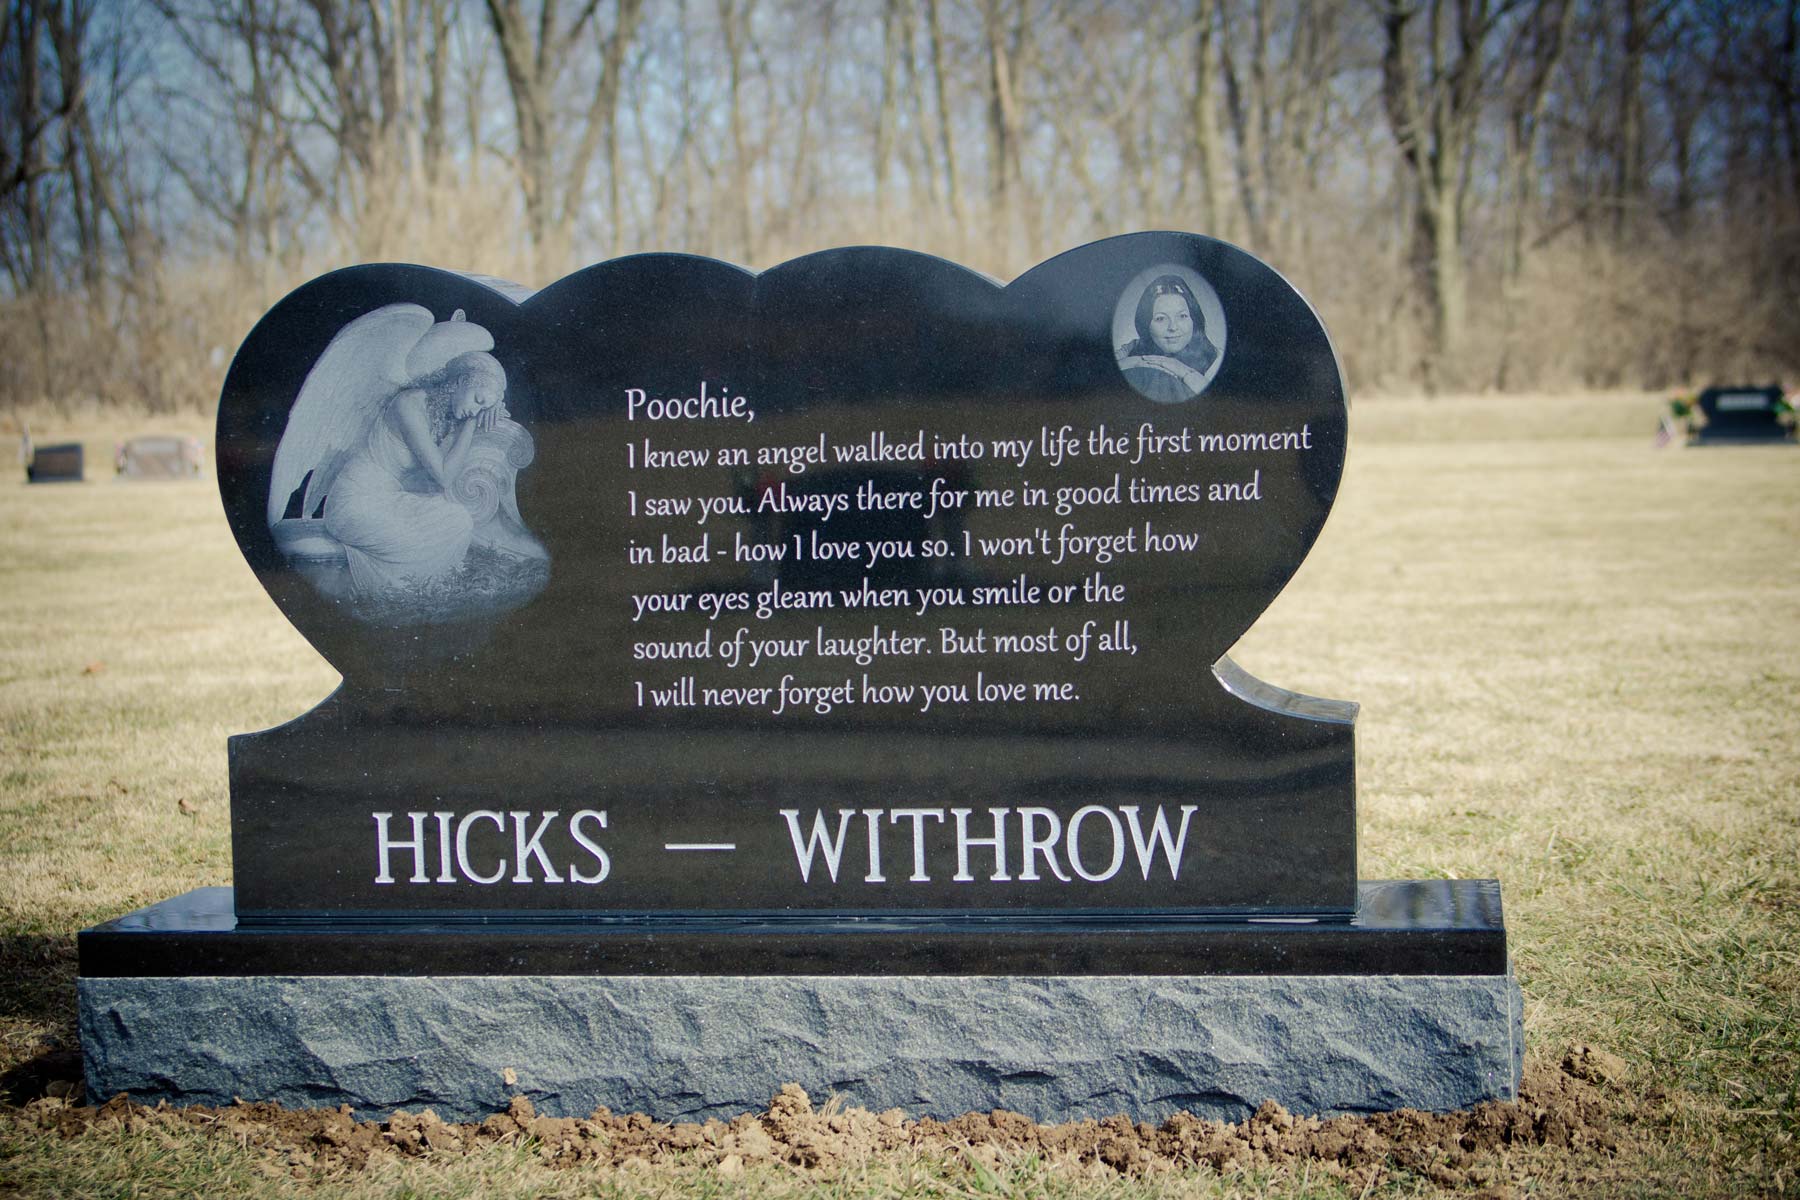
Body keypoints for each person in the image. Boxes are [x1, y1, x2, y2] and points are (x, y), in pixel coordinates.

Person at [321, 350, 508, 603]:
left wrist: (477, 412)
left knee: (459, 519)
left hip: (387, 500)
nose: (475, 411)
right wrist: (471, 424)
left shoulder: (442, 416)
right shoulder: (409, 404)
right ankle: (400, 597)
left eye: (482, 408)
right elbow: (443, 477)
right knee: (422, 537)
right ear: (461, 382)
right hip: (354, 501)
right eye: (477, 399)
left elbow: (433, 484)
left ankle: (415, 597)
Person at [1116, 275, 1220, 402]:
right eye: (1161, 318)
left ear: (1194, 319)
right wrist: (1136, 362)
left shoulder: (1216, 358)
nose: (1173, 327)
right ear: (1146, 324)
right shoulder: (1133, 348)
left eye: (1182, 316)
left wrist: (1183, 371)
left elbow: (1220, 403)